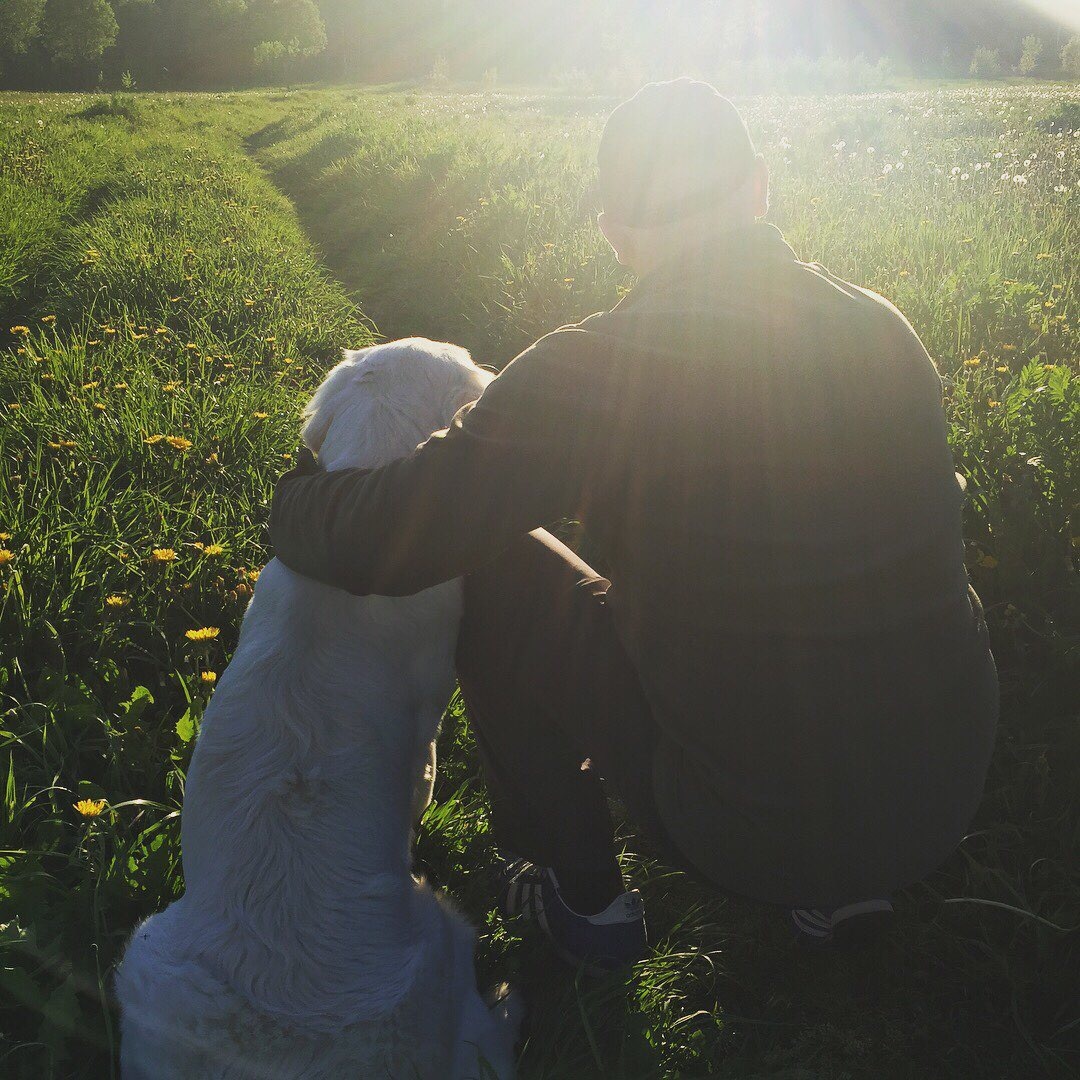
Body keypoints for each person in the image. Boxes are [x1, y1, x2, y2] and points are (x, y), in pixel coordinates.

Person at [268, 79, 999, 970]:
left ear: (613, 230)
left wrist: (295, 498)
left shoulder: (596, 370)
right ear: (761, 187)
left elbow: (383, 538)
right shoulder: (884, 328)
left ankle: (585, 902)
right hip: (943, 792)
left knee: (491, 562)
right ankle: (843, 880)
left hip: (743, 828)